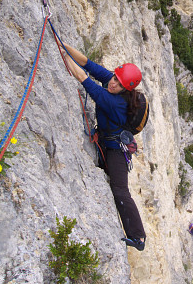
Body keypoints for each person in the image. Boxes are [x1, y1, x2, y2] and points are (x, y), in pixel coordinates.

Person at [59, 41, 146, 251]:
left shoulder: (115, 101)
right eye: (114, 77)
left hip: (116, 149)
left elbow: (83, 77)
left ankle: (138, 237)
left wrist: (62, 53)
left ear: (126, 88)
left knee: (119, 190)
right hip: (106, 140)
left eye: (118, 82)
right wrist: (62, 43)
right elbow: (87, 63)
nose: (113, 83)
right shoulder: (116, 83)